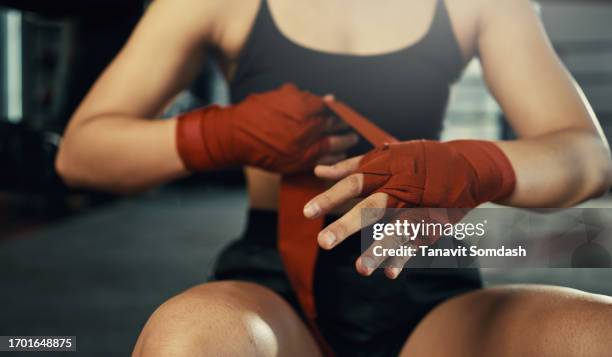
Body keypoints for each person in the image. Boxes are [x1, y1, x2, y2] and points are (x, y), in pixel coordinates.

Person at [55, 0, 612, 356]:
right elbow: (80, 153)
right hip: (272, 292)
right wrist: (219, 133)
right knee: (184, 341)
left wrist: (473, 165)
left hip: (427, 293)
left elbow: (588, 155)